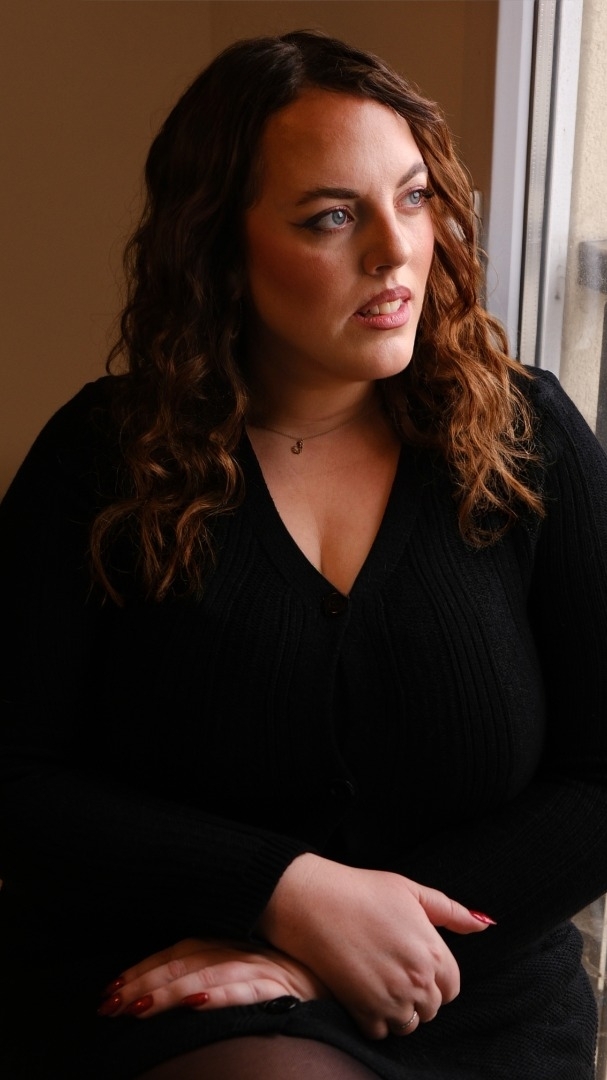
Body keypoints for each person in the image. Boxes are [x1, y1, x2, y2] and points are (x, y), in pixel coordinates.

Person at [1, 27, 606, 1080]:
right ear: (217, 248)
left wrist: (327, 951)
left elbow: (602, 778)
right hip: (185, 994)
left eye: (412, 198)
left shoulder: (526, 439)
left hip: (476, 999)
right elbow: (12, 779)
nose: (394, 250)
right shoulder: (101, 461)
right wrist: (281, 891)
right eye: (332, 216)